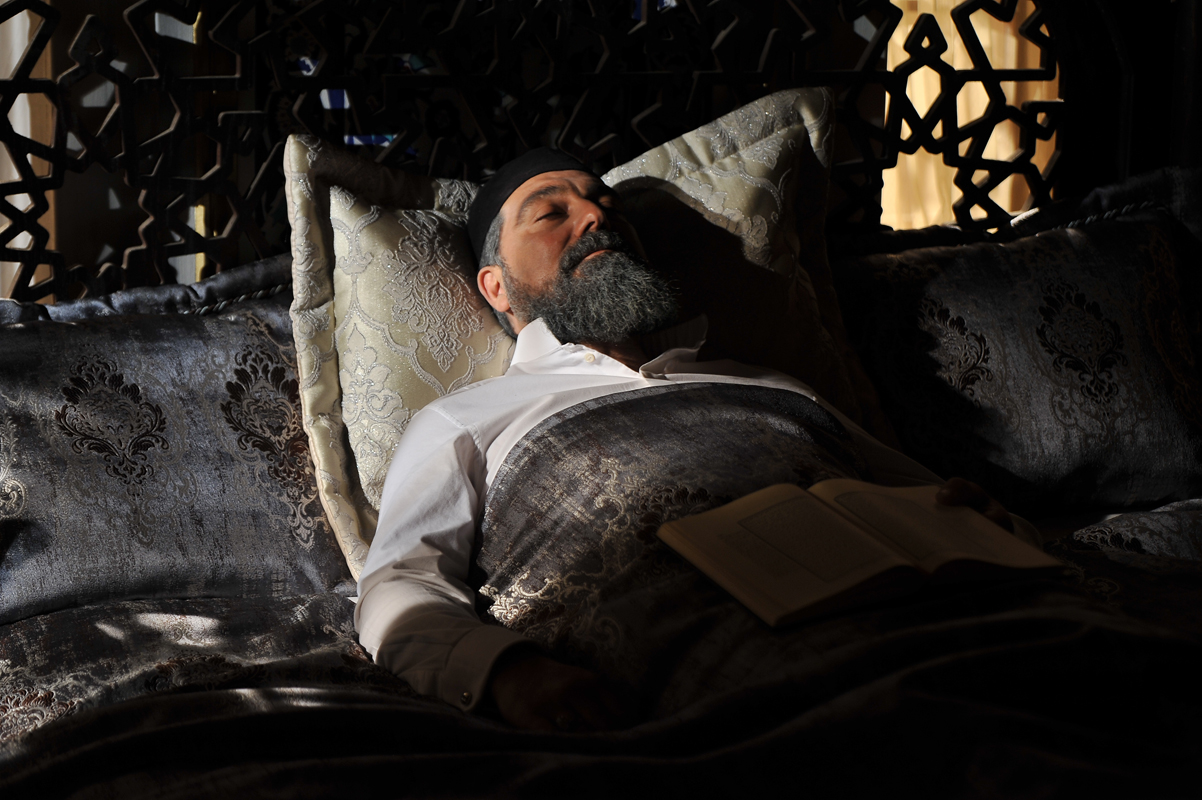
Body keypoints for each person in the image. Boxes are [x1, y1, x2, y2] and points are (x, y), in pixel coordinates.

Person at [354, 148, 1022, 733]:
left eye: (608, 207)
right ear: (496, 286)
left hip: (951, 635)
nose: (597, 219)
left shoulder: (772, 385)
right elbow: (398, 586)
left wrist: (981, 520)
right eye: (552, 213)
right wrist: (507, 673)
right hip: (722, 681)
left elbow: (939, 504)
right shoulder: (468, 419)